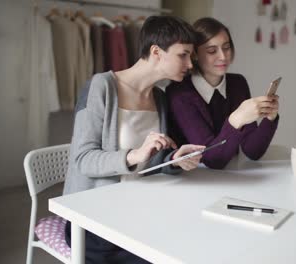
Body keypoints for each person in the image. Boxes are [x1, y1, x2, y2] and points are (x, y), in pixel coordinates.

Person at [62, 16, 203, 264]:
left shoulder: (159, 98)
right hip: (95, 221)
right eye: (183, 55)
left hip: (139, 212)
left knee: (194, 242)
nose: (190, 64)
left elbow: (150, 160)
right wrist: (134, 155)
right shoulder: (100, 87)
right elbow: (83, 159)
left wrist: (173, 159)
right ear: (156, 52)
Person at [166, 17, 279, 169]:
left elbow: (253, 151)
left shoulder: (238, 83)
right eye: (212, 50)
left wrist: (269, 119)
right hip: (195, 180)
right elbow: (211, 159)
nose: (223, 56)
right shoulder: (179, 94)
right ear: (195, 55)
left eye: (226, 47)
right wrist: (236, 119)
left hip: (231, 177)